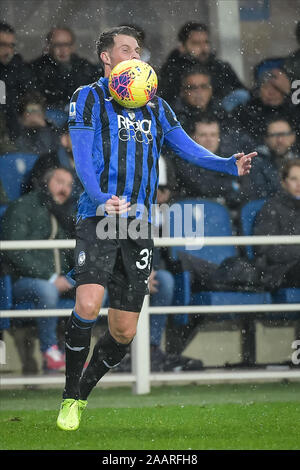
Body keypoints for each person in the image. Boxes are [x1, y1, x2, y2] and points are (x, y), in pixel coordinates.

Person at [56, 25, 256, 431]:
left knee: (123, 331)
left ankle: (82, 393)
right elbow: (81, 158)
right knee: (88, 305)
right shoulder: (88, 98)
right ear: (107, 58)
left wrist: (225, 163)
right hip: (98, 217)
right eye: (126, 49)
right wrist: (100, 198)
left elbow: (186, 146)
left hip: (138, 224)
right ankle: (68, 398)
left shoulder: (156, 107)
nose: (135, 55)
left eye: (139, 50)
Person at [2, 167, 75, 373]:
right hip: (22, 281)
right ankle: (49, 350)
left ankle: (72, 351)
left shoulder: (66, 211)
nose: (65, 189)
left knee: (94, 289)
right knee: (47, 290)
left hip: (59, 280)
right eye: (60, 182)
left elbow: (73, 251)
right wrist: (51, 278)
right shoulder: (22, 207)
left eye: (69, 185)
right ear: (45, 182)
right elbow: (14, 252)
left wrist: (74, 276)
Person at [159, 21, 248, 108]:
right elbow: (167, 101)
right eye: (196, 43)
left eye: (206, 42)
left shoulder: (221, 67)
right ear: (182, 47)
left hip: (221, 117)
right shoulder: (171, 70)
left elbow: (242, 92)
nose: (203, 47)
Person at [174, 116, 242, 208]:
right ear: (191, 137)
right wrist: (231, 185)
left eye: (213, 135)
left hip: (227, 210)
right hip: (191, 210)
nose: (209, 140)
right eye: (203, 135)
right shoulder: (182, 158)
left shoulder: (229, 156)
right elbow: (201, 187)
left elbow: (242, 191)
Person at [253, 159, 300, 291]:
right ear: (284, 183)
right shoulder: (271, 207)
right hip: (281, 271)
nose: (299, 184)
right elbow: (266, 249)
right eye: (294, 179)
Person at [31, 26, 102, 111]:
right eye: (57, 45)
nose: (63, 49)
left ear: (73, 47)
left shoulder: (85, 67)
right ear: (49, 46)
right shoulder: (38, 68)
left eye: (66, 45)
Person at [232, 68, 297, 145]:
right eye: (266, 87)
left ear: (285, 92)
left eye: (277, 89)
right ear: (259, 90)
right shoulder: (247, 111)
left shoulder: (293, 111)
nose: (271, 93)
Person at [241, 118, 299, 200]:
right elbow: (256, 194)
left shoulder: (298, 160)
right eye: (274, 135)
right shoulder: (254, 162)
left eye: (284, 134)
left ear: (293, 137)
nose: (280, 140)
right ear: (266, 139)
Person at [0, 22, 36, 139]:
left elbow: (32, 96)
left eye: (11, 45)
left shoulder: (20, 68)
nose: (8, 50)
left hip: (16, 127)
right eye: (3, 44)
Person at [14, 90, 59, 156]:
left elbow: (48, 152)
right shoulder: (15, 133)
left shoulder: (53, 130)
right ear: (22, 116)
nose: (34, 115)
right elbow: (25, 151)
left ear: (43, 115)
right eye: (30, 111)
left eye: (37, 111)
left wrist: (43, 128)